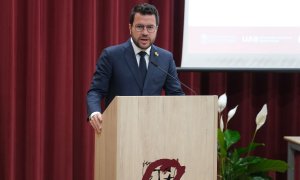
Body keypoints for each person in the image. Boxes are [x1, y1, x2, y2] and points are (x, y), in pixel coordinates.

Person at [87, 3, 184, 134]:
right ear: (130, 28)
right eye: (139, 27)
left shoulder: (165, 58)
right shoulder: (111, 55)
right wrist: (94, 112)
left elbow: (176, 95)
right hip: (119, 130)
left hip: (154, 131)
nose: (145, 32)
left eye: (150, 27)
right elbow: (96, 91)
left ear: (156, 29)